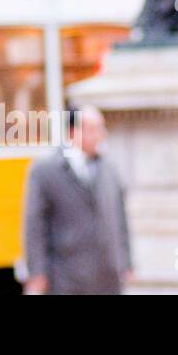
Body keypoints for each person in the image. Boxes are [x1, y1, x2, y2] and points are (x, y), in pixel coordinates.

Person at [22, 106, 132, 294]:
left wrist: (127, 262)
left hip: (107, 277)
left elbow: (120, 218)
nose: (102, 135)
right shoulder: (45, 170)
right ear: (74, 132)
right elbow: (34, 226)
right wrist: (37, 273)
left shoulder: (108, 169)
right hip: (66, 278)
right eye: (94, 129)